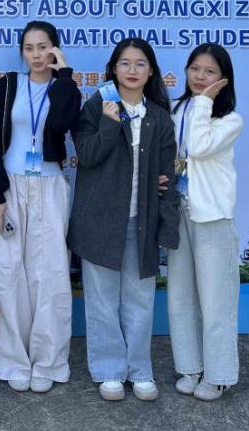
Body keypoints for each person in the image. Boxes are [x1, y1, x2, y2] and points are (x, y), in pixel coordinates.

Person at [67, 38, 178, 402]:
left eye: (140, 64)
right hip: (99, 221)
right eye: (125, 63)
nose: (132, 70)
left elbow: (167, 175)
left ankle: (140, 370)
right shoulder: (97, 105)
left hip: (141, 221)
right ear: (113, 69)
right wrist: (109, 123)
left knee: (140, 300)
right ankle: (109, 371)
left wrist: (166, 226)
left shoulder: (159, 117)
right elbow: (87, 155)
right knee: (101, 301)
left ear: (151, 71)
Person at [0, 21, 80, 393]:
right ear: (21, 52)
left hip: (50, 186)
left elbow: (62, 123)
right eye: (29, 48)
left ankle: (49, 361)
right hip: (10, 186)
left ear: (55, 49)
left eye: (44, 47)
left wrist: (64, 76)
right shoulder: (8, 85)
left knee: (50, 275)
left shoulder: (65, 88)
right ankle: (13, 361)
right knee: (10, 274)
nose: (37, 55)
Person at [166, 43, 244, 401]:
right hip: (179, 211)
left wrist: (203, 102)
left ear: (223, 79)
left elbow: (198, 147)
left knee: (216, 302)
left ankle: (219, 374)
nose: (199, 76)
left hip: (212, 216)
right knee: (180, 297)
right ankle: (190, 367)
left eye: (209, 71)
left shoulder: (230, 120)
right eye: (194, 68)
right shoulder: (174, 108)